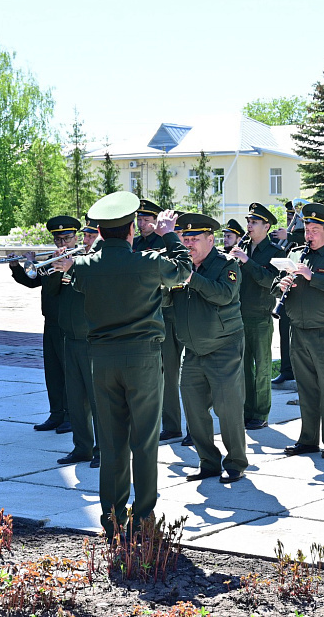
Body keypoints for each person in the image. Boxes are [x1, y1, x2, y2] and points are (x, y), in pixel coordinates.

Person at [68, 192, 192, 537]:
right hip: (142, 359)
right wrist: (169, 234)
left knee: (111, 443)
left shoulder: (84, 266)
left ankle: (112, 520)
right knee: (144, 441)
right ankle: (143, 517)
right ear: (131, 231)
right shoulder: (148, 262)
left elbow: (83, 276)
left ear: (101, 232)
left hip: (102, 361)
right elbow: (182, 270)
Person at [170, 213, 249, 483]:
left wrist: (191, 278)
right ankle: (208, 461)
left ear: (210, 239)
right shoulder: (179, 266)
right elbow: (168, 302)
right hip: (193, 350)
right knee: (193, 410)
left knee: (228, 409)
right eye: (185, 238)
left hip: (224, 347)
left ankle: (236, 462)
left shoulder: (227, 264)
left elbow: (224, 295)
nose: (188, 243)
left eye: (194, 238)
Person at [273, 203, 324, 458]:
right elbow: (276, 287)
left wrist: (312, 277)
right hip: (298, 329)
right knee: (305, 388)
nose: (309, 234)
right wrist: (281, 283)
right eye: (307, 229)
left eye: (315, 230)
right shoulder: (296, 254)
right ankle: (308, 439)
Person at [10, 215, 78, 434]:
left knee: (70, 372)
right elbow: (31, 281)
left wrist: (56, 265)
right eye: (58, 239)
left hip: (70, 324)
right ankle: (56, 413)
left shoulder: (79, 260)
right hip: (50, 322)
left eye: (66, 238)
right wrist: (17, 266)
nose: (62, 244)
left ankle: (71, 415)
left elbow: (51, 288)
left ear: (75, 238)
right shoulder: (51, 259)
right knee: (53, 371)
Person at [48, 217, 101, 466]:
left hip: (91, 338)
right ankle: (82, 447)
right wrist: (57, 268)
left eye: (91, 236)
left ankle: (103, 449)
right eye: (86, 235)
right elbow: (51, 293)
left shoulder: (95, 262)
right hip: (69, 337)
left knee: (98, 399)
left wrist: (73, 267)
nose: (87, 240)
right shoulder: (67, 261)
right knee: (76, 399)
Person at [131, 199, 185, 443]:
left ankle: (196, 429)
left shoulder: (164, 241)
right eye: (139, 220)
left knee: (188, 373)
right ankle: (171, 425)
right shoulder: (136, 243)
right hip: (154, 311)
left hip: (176, 310)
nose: (141, 224)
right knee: (165, 373)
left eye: (146, 219)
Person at [228, 203, 283, 430]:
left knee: (261, 367)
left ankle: (260, 413)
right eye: (248, 222)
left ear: (266, 226)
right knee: (241, 368)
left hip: (260, 316)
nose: (249, 226)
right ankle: (246, 410)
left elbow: (269, 280)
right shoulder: (242, 247)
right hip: (238, 314)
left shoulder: (276, 252)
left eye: (254, 223)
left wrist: (247, 261)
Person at [271, 200, 305, 387]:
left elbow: (306, 241)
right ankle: (286, 370)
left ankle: (300, 371)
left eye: (294, 216)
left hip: (303, 291)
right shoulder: (281, 234)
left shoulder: (303, 234)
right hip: (285, 287)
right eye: (289, 215)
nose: (290, 218)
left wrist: (290, 234)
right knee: (284, 332)